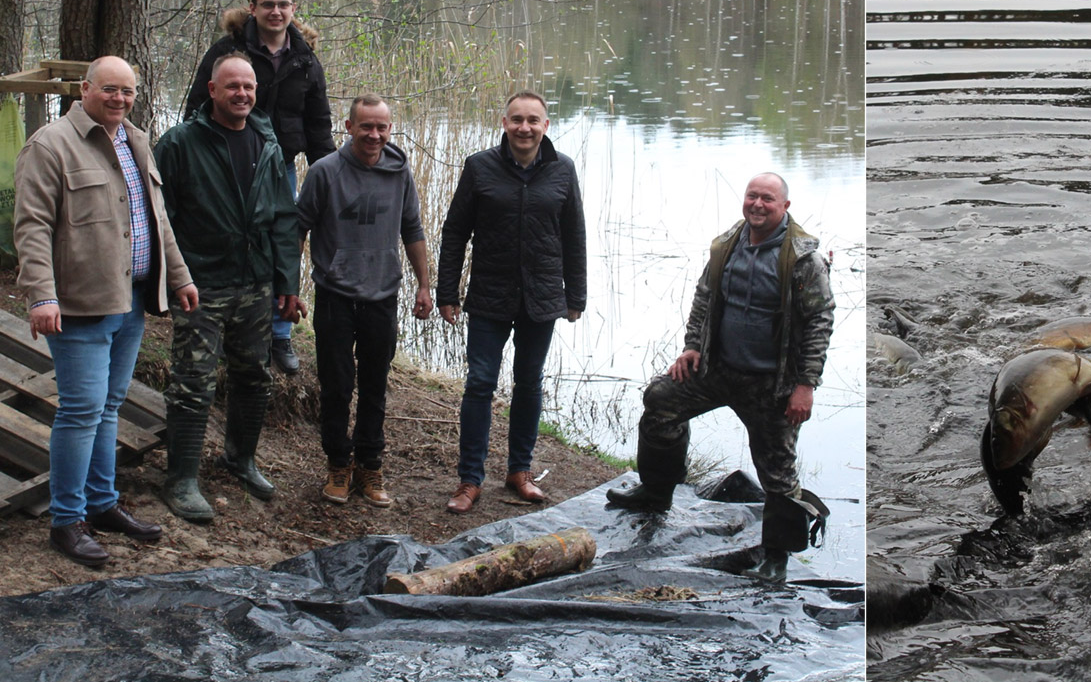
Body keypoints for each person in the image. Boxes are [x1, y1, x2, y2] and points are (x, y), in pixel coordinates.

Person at [12, 56, 200, 566]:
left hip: (131, 300)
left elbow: (156, 221)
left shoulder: (135, 140)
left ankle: (102, 503)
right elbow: (31, 227)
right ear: (84, 89)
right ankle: (67, 521)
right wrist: (41, 295)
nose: (119, 99)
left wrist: (179, 277)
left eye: (128, 92)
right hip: (79, 304)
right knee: (80, 411)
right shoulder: (50, 145)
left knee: (108, 407)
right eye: (110, 90)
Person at [607, 173, 835, 585]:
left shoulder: (804, 260)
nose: (758, 205)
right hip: (718, 369)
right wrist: (693, 346)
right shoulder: (727, 244)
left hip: (771, 383)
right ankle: (656, 492)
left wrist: (806, 386)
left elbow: (820, 322)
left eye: (768, 198)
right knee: (661, 400)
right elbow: (705, 297)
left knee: (778, 471)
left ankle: (777, 557)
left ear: (785, 206)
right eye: (752, 196)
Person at [154, 54, 304, 523]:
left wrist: (287, 281)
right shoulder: (181, 142)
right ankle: (180, 478)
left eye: (249, 86)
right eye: (232, 86)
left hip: (255, 282)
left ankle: (240, 458)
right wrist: (173, 278)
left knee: (254, 376)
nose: (242, 94)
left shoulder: (267, 142)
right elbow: (163, 217)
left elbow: (283, 217)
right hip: (201, 282)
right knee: (193, 381)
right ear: (213, 90)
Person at [436, 90, 586, 512]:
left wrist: (576, 295)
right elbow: (454, 233)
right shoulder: (479, 167)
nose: (524, 127)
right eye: (516, 119)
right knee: (480, 383)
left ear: (545, 126)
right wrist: (447, 291)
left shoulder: (562, 170)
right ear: (504, 123)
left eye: (532, 120)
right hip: (489, 296)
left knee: (529, 383)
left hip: (541, 298)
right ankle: (469, 480)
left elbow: (574, 235)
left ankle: (519, 471)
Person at [182, 0, 332, 377]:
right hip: (226, 161)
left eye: (283, 4)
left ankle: (279, 333)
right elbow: (196, 106)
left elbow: (318, 124)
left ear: (293, 10)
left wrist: (328, 176)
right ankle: (222, 323)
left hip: (279, 164)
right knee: (225, 237)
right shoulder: (228, 51)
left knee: (282, 240)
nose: (276, 12)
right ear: (253, 9)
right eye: (267, 4)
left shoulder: (304, 59)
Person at [297, 95, 432, 507]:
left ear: (390, 129)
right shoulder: (324, 172)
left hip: (382, 295)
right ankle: (338, 464)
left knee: (375, 386)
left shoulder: (399, 172)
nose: (374, 135)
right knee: (336, 386)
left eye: (382, 127)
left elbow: (412, 228)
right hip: (335, 294)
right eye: (366, 126)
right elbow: (297, 230)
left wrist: (425, 285)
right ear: (349, 127)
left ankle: (370, 467)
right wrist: (287, 288)